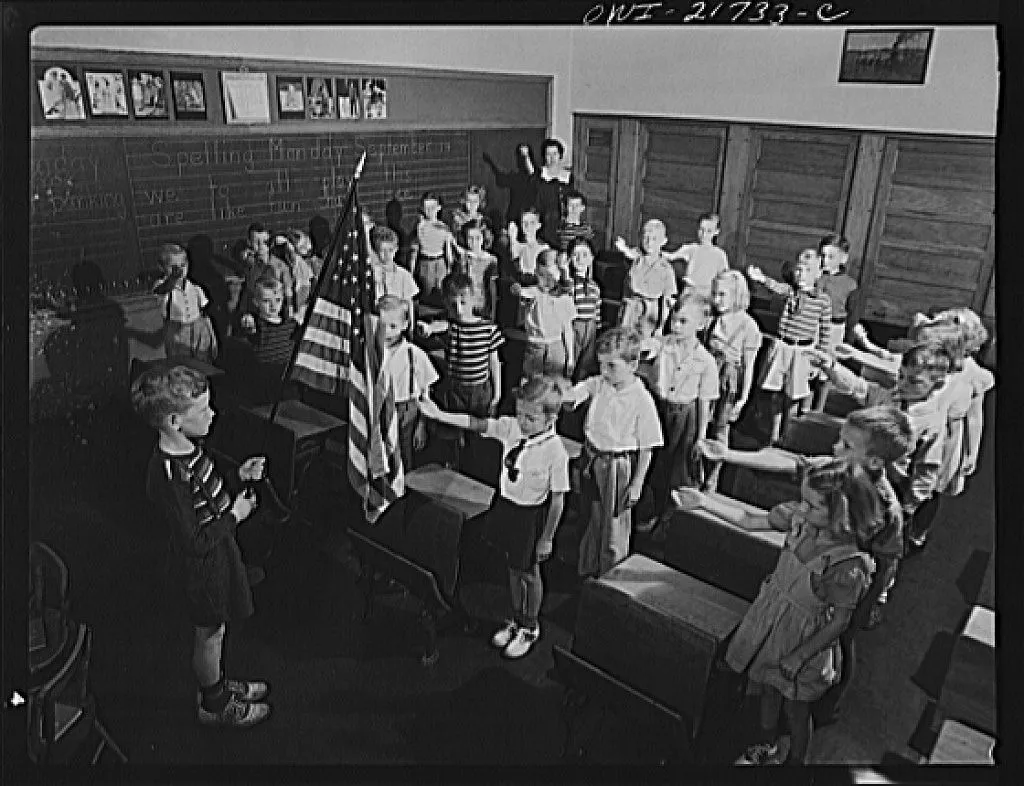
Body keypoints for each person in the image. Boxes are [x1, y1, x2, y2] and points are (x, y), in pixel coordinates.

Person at [698, 405, 913, 726]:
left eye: (846, 445)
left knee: (840, 641)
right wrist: (728, 455)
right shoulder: (836, 470)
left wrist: (874, 599)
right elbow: (792, 462)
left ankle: (827, 702)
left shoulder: (887, 507)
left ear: (874, 462)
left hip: (848, 582)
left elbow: (887, 560)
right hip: (808, 576)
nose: (835, 448)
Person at [673, 458, 878, 766]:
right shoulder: (803, 521)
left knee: (796, 709)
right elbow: (748, 519)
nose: (802, 510)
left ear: (841, 513)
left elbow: (839, 622)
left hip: (802, 639)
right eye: (803, 501)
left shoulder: (848, 566)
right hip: (771, 623)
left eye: (812, 506)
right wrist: (703, 502)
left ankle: (797, 760)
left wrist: (798, 657)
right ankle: (766, 743)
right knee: (767, 688)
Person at [131, 364, 272, 728]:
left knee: (218, 631)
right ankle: (214, 704)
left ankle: (218, 684)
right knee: (209, 634)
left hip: (218, 554)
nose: (213, 414)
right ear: (174, 422)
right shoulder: (170, 476)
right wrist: (236, 516)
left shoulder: (191, 449)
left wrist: (238, 475)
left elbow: (207, 492)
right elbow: (193, 540)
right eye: (204, 409)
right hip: (202, 567)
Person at [418, 375, 571, 659]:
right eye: (520, 414)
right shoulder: (512, 428)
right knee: (512, 568)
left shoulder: (555, 452)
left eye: (531, 418)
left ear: (551, 419)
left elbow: (558, 500)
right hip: (507, 507)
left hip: (530, 516)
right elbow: (476, 423)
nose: (523, 422)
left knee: (529, 573)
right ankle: (516, 617)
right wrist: (438, 414)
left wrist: (547, 538)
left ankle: (530, 625)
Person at [807, 341, 950, 555]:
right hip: (860, 473)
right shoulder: (890, 398)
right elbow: (861, 388)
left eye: (913, 381)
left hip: (891, 486)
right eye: (901, 376)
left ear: (936, 386)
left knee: (874, 533)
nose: (902, 384)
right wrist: (832, 368)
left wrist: (910, 505)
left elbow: (926, 468)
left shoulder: (931, 421)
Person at [563, 327, 664, 577]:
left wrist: (637, 483)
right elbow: (582, 389)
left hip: (617, 465)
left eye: (611, 366)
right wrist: (570, 397)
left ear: (632, 365)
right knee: (592, 515)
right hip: (592, 456)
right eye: (601, 365)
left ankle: (611, 574)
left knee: (614, 525)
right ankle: (588, 569)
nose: (604, 372)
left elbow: (647, 447)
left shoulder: (641, 399)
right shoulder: (601, 383)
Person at [636, 294, 719, 537]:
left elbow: (704, 401)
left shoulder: (706, 361)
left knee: (678, 468)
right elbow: (645, 349)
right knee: (655, 464)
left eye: (684, 321)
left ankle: (668, 519)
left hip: (685, 417)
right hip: (659, 410)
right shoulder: (663, 345)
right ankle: (649, 512)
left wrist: (701, 436)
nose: (676, 326)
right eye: (674, 320)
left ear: (701, 325)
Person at [417, 273, 504, 469]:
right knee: (452, 430)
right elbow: (438, 326)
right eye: (453, 304)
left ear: (474, 299)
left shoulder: (488, 329)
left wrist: (497, 394)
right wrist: (428, 329)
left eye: (463, 303)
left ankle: (474, 467)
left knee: (479, 433)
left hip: (480, 391)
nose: (459, 309)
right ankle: (453, 465)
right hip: (455, 390)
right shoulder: (452, 327)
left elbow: (494, 362)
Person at [747, 251, 833, 445]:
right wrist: (761, 278)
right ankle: (773, 434)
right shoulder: (790, 292)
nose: (801, 274)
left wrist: (818, 361)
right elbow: (776, 287)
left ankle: (788, 434)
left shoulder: (822, 300)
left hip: (802, 352)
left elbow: (825, 332)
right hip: (783, 346)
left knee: (793, 396)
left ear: (818, 273)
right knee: (775, 392)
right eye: (799, 270)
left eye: (808, 270)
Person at [701, 270, 762, 491]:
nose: (717, 300)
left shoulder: (748, 326)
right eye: (715, 294)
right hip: (707, 376)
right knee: (700, 425)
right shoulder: (712, 320)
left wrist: (743, 398)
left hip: (728, 382)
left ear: (736, 295)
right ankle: (696, 472)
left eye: (722, 295)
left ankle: (712, 477)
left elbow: (749, 366)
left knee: (719, 429)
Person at [379, 295, 438, 473]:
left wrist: (422, 425)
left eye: (393, 326)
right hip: (380, 407)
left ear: (405, 325)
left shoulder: (414, 353)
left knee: (404, 456)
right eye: (382, 326)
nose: (387, 332)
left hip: (407, 410)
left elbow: (425, 393)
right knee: (381, 453)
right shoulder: (373, 352)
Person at [513, 249, 576, 379]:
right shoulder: (532, 293)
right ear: (536, 272)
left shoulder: (564, 297)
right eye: (542, 275)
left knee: (556, 384)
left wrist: (570, 357)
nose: (547, 280)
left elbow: (568, 328)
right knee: (532, 384)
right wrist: (518, 292)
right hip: (535, 345)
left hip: (556, 345)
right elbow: (521, 296)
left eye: (551, 275)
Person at [152, 243, 219, 363]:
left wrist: (210, 332)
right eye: (173, 267)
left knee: (203, 358)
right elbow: (161, 290)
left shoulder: (194, 287)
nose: (179, 270)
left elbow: (204, 311)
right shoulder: (162, 286)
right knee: (181, 361)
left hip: (198, 325)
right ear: (162, 268)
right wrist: (173, 278)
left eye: (182, 265)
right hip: (177, 329)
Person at [239, 275, 299, 404]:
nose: (273, 305)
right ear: (256, 302)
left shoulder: (291, 324)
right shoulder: (257, 324)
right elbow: (250, 331)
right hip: (265, 375)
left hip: (285, 374)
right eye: (266, 301)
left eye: (277, 300)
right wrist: (248, 324)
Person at [614, 220, 678, 338]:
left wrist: (660, 327)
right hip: (631, 305)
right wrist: (623, 248)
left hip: (651, 308)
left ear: (663, 241)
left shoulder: (666, 268)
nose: (649, 243)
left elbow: (667, 301)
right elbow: (629, 254)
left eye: (654, 239)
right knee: (624, 337)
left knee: (645, 340)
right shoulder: (636, 257)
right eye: (645, 238)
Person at [662, 212, 730, 297]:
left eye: (709, 231)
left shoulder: (720, 255)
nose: (704, 234)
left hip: (707, 297)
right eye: (701, 229)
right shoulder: (691, 248)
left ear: (716, 231)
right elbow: (670, 256)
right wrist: (656, 248)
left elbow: (725, 279)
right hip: (689, 294)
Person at [565, 238, 603, 382]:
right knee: (571, 360)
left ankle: (580, 388)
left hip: (591, 328)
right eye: (576, 255)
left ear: (592, 258)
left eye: (585, 255)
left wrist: (597, 328)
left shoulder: (595, 286)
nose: (580, 259)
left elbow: (597, 308)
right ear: (569, 259)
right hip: (574, 326)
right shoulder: (569, 283)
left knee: (586, 363)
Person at [410, 191, 457, 307]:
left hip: (440, 263)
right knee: (427, 296)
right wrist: (411, 272)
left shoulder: (443, 227)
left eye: (432, 207)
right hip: (425, 263)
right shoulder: (419, 227)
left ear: (439, 208)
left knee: (442, 296)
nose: (429, 211)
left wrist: (450, 268)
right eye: (426, 208)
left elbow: (448, 250)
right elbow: (414, 252)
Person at [370, 225, 419, 330]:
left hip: (398, 325)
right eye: (382, 250)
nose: (387, 255)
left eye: (390, 250)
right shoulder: (372, 274)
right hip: (379, 324)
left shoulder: (404, 275)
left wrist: (411, 326)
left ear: (396, 249)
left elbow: (409, 303)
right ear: (376, 250)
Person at [482, 144, 538, 234]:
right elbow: (501, 179)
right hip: (515, 218)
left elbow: (533, 174)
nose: (523, 160)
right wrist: (491, 163)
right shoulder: (516, 177)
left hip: (531, 219)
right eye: (521, 156)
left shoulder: (540, 177)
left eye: (526, 156)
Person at [532, 138, 574, 249]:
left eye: (555, 154)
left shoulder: (568, 176)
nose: (552, 158)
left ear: (560, 155)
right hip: (544, 219)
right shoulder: (539, 175)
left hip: (563, 220)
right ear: (544, 156)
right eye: (548, 154)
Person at [455, 220, 498, 319]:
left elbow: (492, 289)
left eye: (478, 238)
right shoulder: (464, 257)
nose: (474, 242)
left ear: (484, 238)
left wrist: (491, 313)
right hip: (466, 303)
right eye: (470, 238)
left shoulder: (491, 260)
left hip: (483, 305)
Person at [555, 191, 596, 256]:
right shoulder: (559, 226)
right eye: (571, 205)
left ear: (582, 208)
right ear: (565, 207)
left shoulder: (587, 228)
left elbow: (591, 249)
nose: (574, 208)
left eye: (577, 205)